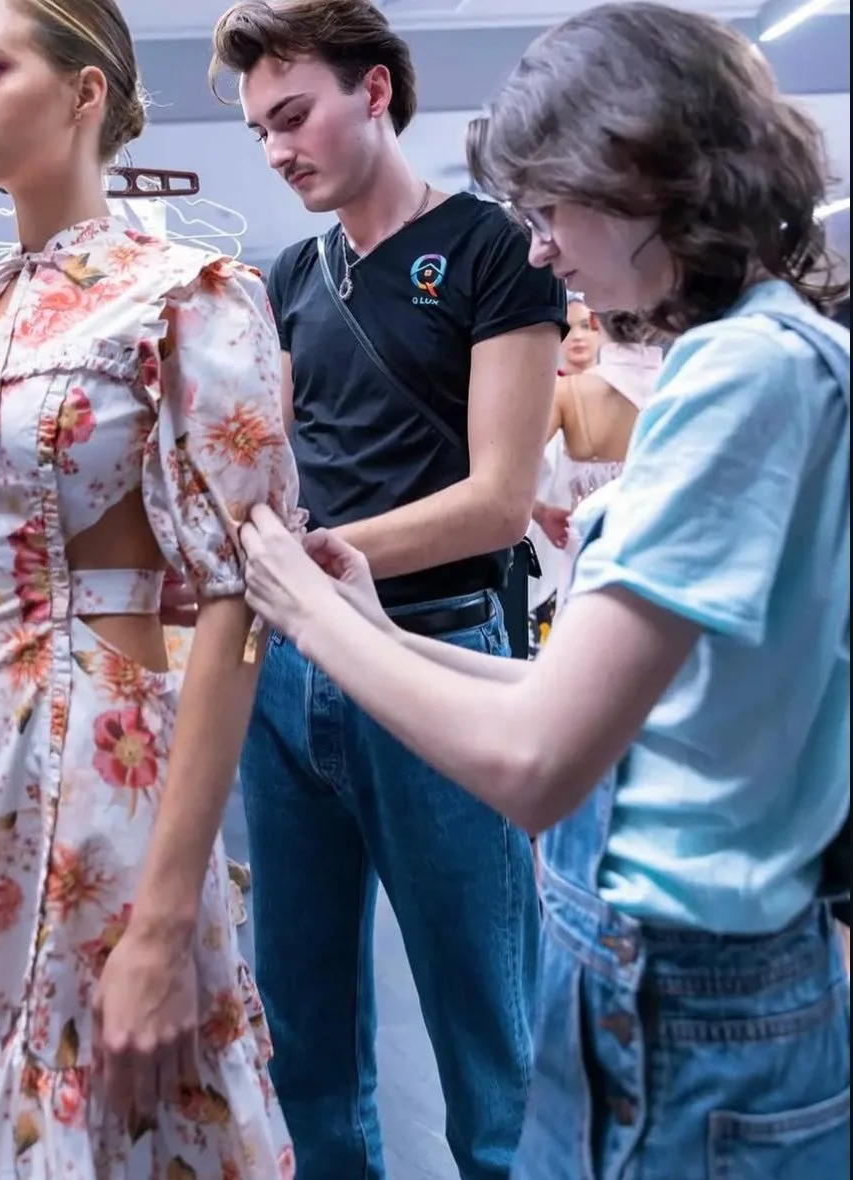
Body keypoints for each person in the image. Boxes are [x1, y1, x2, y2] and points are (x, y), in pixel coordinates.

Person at [237, 4, 851, 1176]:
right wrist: (362, 620)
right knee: (316, 1029)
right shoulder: (754, 359)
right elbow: (576, 692)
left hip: (688, 997)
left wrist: (303, 603)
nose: (539, 249)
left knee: (485, 1064)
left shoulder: (748, 376)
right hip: (665, 977)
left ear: (641, 169)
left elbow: (536, 761)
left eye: (552, 209)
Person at [0, 2, 297, 1176]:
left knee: (113, 1108)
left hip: (99, 764)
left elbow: (240, 598)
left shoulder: (188, 295)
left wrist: (167, 915)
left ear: (86, 94)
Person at [209, 3, 566, 1177]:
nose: (277, 149)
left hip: (436, 656)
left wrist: (308, 562)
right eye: (261, 131)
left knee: (488, 1035)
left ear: (374, 91)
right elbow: (275, 470)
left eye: (294, 115)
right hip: (289, 677)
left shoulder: (494, 250)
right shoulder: (292, 276)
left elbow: (500, 501)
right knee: (303, 1026)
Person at [529, 311, 663, 643]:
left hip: (590, 560)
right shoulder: (688, 386)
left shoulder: (568, 392)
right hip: (667, 563)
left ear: (594, 321)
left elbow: (508, 474)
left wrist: (540, 512)